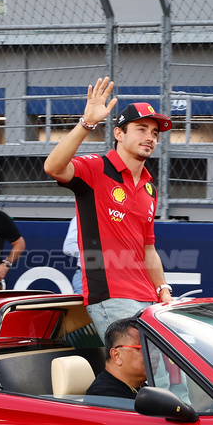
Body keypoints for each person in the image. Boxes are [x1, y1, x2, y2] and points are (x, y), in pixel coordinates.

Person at [41, 79, 173, 342]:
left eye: (155, 133)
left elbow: (149, 250)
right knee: (145, 371)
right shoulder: (95, 168)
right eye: (141, 129)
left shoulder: (150, 188)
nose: (150, 137)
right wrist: (86, 123)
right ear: (119, 134)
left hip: (148, 298)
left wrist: (164, 290)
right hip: (111, 298)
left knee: (165, 370)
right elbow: (53, 168)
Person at [84, 318, 148, 400]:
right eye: (143, 348)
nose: (153, 354)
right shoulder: (103, 397)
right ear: (116, 355)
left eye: (153, 348)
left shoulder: (138, 387)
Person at [63, 215, 82, 295]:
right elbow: (69, 247)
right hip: (86, 275)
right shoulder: (81, 217)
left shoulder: (116, 217)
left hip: (113, 277)